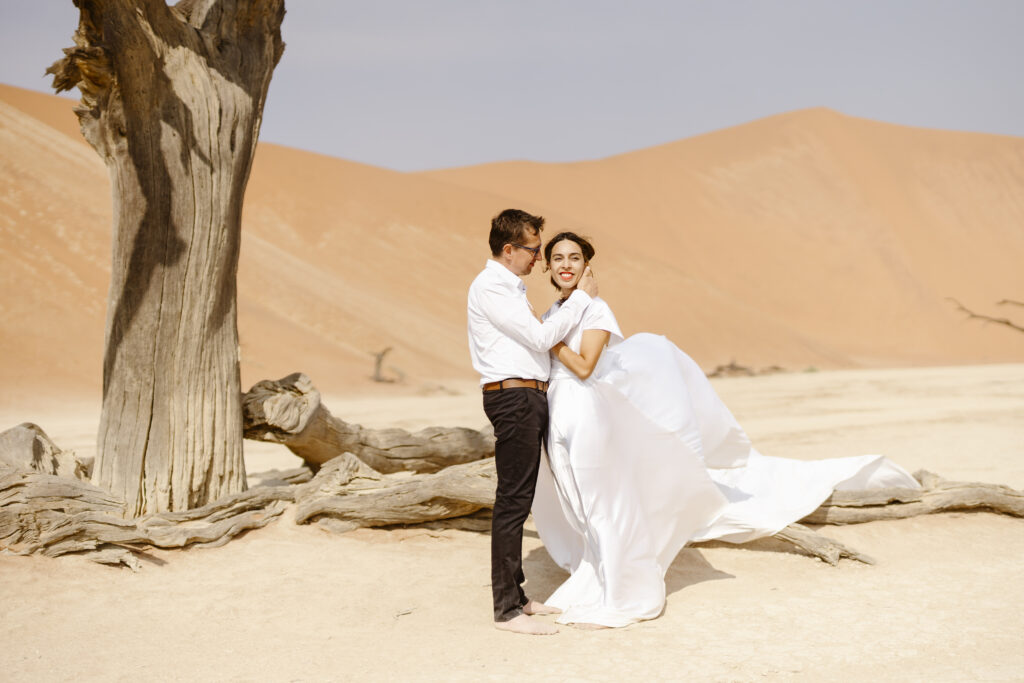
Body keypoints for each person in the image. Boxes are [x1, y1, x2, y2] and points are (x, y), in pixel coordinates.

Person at [530, 231, 921, 629]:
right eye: (558, 257)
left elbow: (585, 366)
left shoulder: (593, 311)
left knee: (602, 505)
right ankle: (592, 581)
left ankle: (626, 594)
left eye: (574, 258)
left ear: (586, 265)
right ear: (547, 265)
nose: (566, 265)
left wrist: (550, 338)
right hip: (557, 414)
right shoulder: (552, 315)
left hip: (586, 416)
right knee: (577, 507)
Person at [466, 209, 599, 635]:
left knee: (520, 500)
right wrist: (581, 298)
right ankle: (506, 609)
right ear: (509, 250)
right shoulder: (491, 287)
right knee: (512, 502)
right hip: (514, 397)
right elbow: (542, 338)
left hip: (527, 396)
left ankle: (518, 598)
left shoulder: (509, 287)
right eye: (534, 249)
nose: (539, 258)